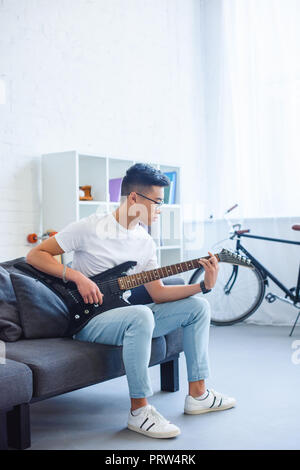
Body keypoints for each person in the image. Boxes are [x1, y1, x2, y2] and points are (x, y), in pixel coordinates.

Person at [26, 163, 236, 439]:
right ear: (134, 199)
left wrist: (202, 286)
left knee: (198, 307)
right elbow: (36, 254)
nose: (160, 209)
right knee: (141, 315)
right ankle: (139, 411)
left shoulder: (145, 242)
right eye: (157, 202)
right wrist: (77, 276)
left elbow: (158, 293)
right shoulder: (89, 227)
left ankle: (198, 395)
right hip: (90, 321)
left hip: (123, 314)